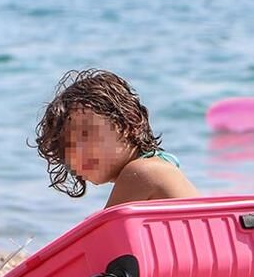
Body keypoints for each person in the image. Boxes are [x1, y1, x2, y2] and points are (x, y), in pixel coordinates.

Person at [34, 69, 198, 208]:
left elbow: (103, 234)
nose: (75, 153)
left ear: (128, 123)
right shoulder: (161, 164)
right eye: (66, 147)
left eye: (85, 134)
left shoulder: (142, 172)